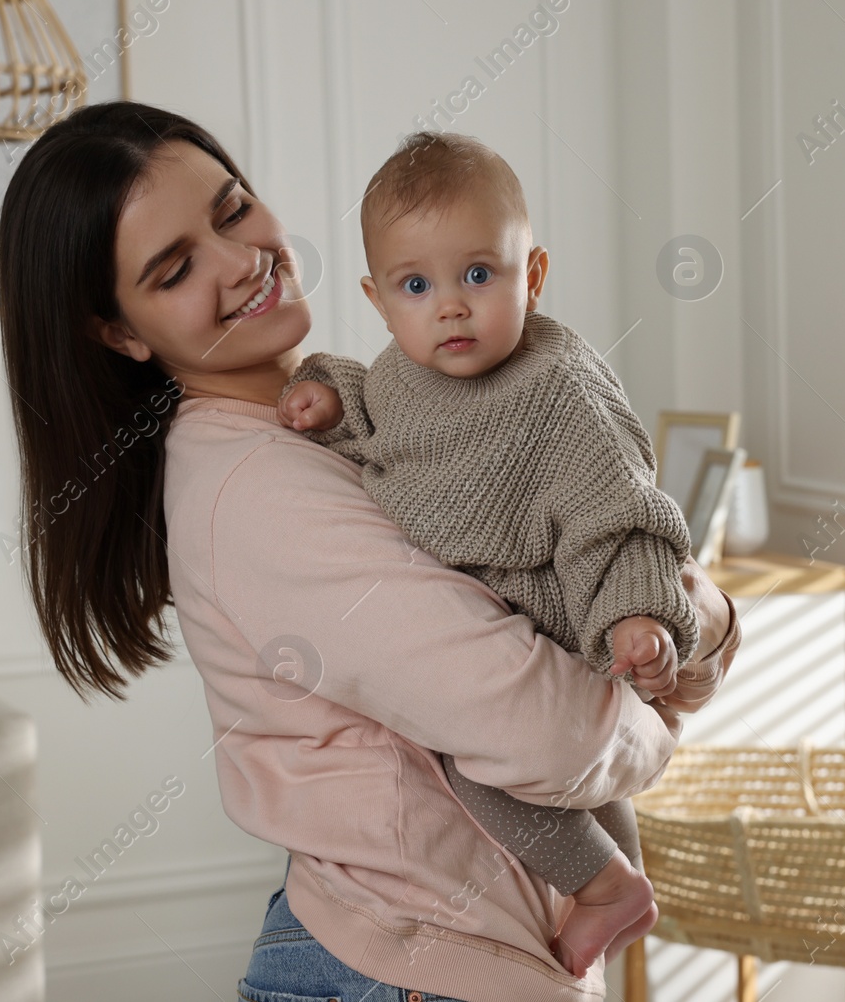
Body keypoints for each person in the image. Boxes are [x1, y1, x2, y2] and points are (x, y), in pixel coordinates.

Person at [0, 101, 743, 1002]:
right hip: (409, 969)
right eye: (176, 268)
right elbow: (546, 730)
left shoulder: (363, 411)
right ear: (120, 331)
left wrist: (695, 621)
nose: (241, 262)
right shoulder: (257, 491)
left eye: (233, 211)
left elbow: (578, 558)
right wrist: (665, 689)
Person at [278, 131, 696, 974]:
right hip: (483, 615)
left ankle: (608, 887)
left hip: (550, 615)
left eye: (479, 274)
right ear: (379, 298)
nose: (451, 305)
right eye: (417, 285)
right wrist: (324, 392)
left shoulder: (558, 384)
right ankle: (625, 879)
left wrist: (640, 616)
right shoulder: (402, 373)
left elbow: (621, 509)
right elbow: (380, 416)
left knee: (479, 769)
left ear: (531, 276)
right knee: (579, 781)